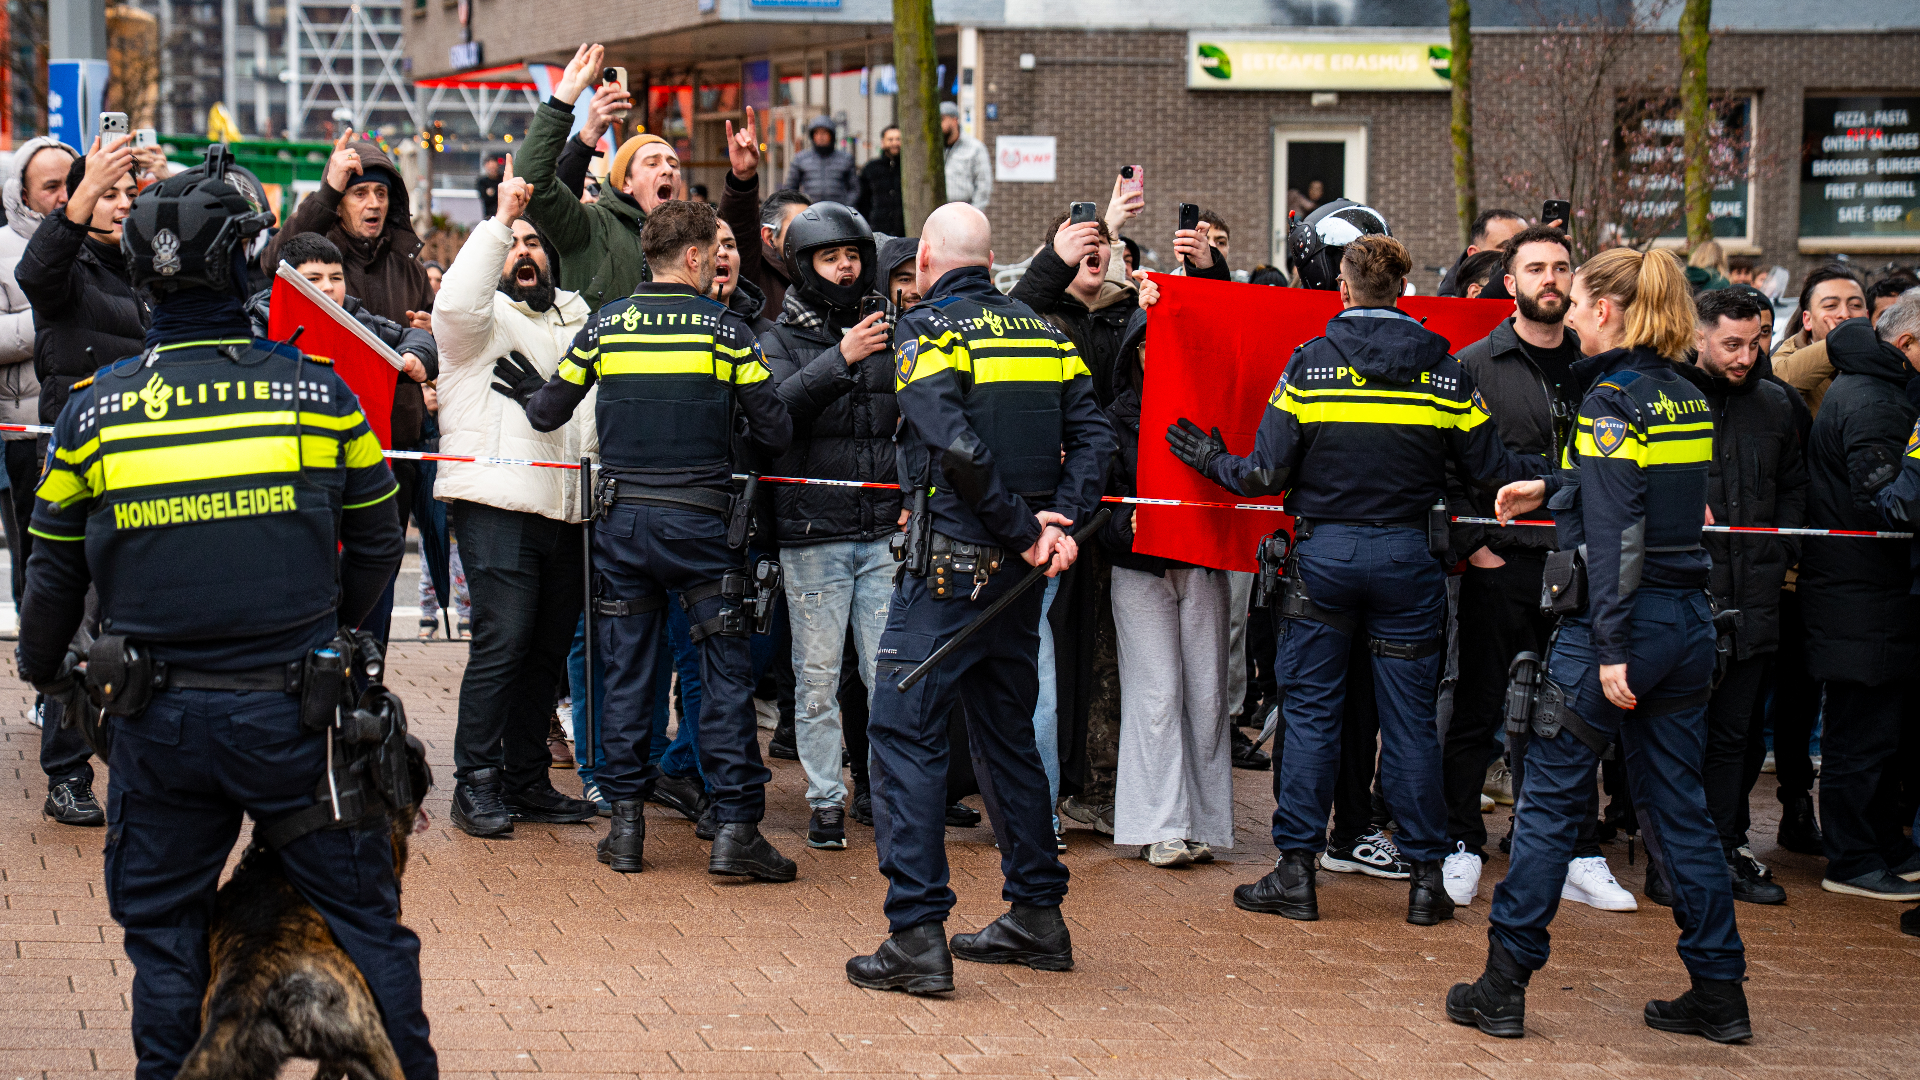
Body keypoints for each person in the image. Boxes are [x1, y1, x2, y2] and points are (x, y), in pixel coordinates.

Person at [15, 145, 431, 1078]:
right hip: (299, 719)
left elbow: (51, 574)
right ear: (247, 263)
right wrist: (329, 630)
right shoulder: (315, 392)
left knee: (166, 941)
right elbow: (378, 539)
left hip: (154, 721)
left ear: (142, 276)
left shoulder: (95, 413)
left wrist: (46, 675)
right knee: (368, 931)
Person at [1168, 225, 1543, 928]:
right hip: (1410, 563)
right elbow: (1492, 472)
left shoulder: (1310, 366)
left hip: (1326, 561)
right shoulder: (1446, 372)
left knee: (1312, 716)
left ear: (1342, 289)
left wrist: (1210, 458)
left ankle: (1295, 874)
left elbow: (1262, 474)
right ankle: (1426, 880)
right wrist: (1565, 475)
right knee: (1409, 724)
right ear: (1403, 290)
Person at [1450, 247, 1748, 1045]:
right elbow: (1647, 491)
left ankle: (1501, 986)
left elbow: (1617, 534)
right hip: (1686, 625)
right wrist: (1551, 486)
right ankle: (1720, 991)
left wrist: (1610, 646)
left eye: (1580, 301)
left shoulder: (1610, 400)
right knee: (1680, 811)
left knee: (1549, 806)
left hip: (1619, 628)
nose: (1573, 313)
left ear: (1608, 311)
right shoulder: (1686, 394)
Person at [846, 202, 1113, 993]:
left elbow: (953, 445)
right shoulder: (1046, 335)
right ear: (992, 263)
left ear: (927, 260)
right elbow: (1094, 437)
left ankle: (915, 935)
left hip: (952, 569)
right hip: (1020, 580)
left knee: (902, 735)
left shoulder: (927, 331)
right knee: (1006, 738)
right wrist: (1058, 521)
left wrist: (1028, 529)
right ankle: (1037, 913)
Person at [500, 199, 796, 880]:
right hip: (703, 529)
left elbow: (547, 411)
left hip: (624, 528)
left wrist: (532, 390)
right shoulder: (726, 332)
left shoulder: (606, 325)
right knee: (722, 679)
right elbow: (776, 430)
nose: (719, 263)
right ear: (693, 256)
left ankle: (627, 829)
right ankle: (736, 831)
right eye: (714, 252)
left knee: (626, 674)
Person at [1444, 226, 1636, 914]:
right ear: (1510, 283)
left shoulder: (1602, 363)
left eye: (1560, 267)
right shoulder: (1474, 364)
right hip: (1504, 562)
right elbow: (1448, 466)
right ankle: (1460, 843)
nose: (1550, 279)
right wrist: (1477, 548)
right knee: (1479, 709)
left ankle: (1575, 852)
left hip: (1582, 565)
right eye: (1535, 268)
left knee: (1571, 717)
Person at [431, 156, 600, 837]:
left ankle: (526, 780)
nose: (524, 252)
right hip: (496, 503)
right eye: (514, 244)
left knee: (545, 652)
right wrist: (501, 220)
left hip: (566, 507)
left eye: (534, 242)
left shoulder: (579, 317)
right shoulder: (479, 322)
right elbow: (454, 303)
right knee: (504, 642)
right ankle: (474, 783)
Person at [14, 134, 149, 828]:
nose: (121, 204)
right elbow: (36, 273)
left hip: (147, 465)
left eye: (130, 193)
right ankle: (66, 773)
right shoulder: (65, 266)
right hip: (81, 467)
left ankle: (137, 761)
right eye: (107, 193)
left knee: (137, 618)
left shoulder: (151, 265)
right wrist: (82, 194)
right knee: (73, 619)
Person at [755, 202, 899, 850]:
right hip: (813, 536)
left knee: (886, 675)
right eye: (829, 257)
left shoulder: (893, 331)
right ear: (803, 265)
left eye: (852, 256)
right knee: (815, 678)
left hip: (883, 533)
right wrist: (839, 357)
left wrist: (910, 497)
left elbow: (917, 423)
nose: (844, 268)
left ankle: (883, 792)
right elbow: (773, 417)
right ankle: (824, 801)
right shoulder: (778, 338)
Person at [1102, 295, 1237, 867]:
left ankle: (1200, 823)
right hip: (1141, 568)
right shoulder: (1114, 417)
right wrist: (1123, 523)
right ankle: (1158, 825)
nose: (1155, 352)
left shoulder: (1213, 405)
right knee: (1155, 694)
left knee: (1207, 695)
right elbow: (1094, 496)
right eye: (1146, 343)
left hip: (1202, 562)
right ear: (1133, 351)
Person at [1687, 287, 1806, 906]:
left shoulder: (1777, 403)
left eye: (1755, 342)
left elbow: (1794, 486)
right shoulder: (1672, 397)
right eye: (1731, 344)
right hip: (1689, 597)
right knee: (1682, 734)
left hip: (1755, 597)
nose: (1745, 356)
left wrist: (1780, 552)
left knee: (1736, 734)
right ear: (1699, 335)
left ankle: (1725, 846)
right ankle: (1678, 855)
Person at [1798, 301, 1920, 901]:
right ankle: (1851, 860)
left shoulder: (1879, 388)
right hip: (1861, 591)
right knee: (1859, 735)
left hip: (1873, 592)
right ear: (1908, 343)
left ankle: (1883, 843)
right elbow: (1891, 505)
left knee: (1882, 732)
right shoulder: (1873, 400)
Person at [519, 42, 681, 314]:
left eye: (673, 164)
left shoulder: (690, 236)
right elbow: (531, 177)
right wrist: (567, 95)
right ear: (626, 183)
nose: (667, 170)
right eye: (652, 163)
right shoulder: (589, 228)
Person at [1, 136, 73, 602]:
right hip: (26, 434)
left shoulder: (102, 243)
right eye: (51, 187)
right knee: (35, 558)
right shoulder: (2, 248)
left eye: (72, 183)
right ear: (23, 194)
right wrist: (51, 317)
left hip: (89, 423)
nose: (64, 197)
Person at [245, 232, 436, 383]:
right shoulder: (257, 323)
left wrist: (415, 355)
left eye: (336, 278)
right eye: (314, 278)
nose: (328, 287)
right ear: (287, 282)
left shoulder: (356, 319)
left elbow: (408, 336)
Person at [1772, 265, 1866, 416]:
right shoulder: (1785, 356)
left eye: (1855, 305)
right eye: (1831, 306)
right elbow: (1777, 383)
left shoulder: (1880, 354)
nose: (1845, 314)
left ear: (1867, 315)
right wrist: (1836, 344)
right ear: (1807, 320)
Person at [1437, 208, 1527, 296]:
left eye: (1526, 247)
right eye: (1507, 248)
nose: (1521, 255)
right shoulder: (1451, 302)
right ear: (1475, 254)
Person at [785, 116, 859, 206]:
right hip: (810, 210)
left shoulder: (845, 159)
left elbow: (854, 189)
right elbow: (790, 188)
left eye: (824, 133)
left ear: (831, 135)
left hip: (837, 210)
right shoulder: (801, 159)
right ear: (812, 136)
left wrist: (846, 207)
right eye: (817, 133)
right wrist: (800, 208)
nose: (820, 137)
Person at [938, 102, 992, 210]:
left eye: (942, 119)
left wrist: (973, 213)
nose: (938, 125)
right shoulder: (936, 149)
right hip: (939, 212)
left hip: (964, 211)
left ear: (954, 120)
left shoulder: (975, 148)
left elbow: (983, 186)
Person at [855, 125, 905, 236]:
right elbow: (863, 201)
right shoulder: (870, 169)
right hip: (877, 229)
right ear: (883, 142)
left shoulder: (909, 169)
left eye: (898, 139)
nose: (894, 143)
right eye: (890, 139)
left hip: (903, 232)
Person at [475, 155, 502, 219]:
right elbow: (484, 196)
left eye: (494, 168)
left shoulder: (503, 179)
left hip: (503, 213)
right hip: (489, 215)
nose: (492, 170)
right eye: (490, 168)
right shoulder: (482, 182)